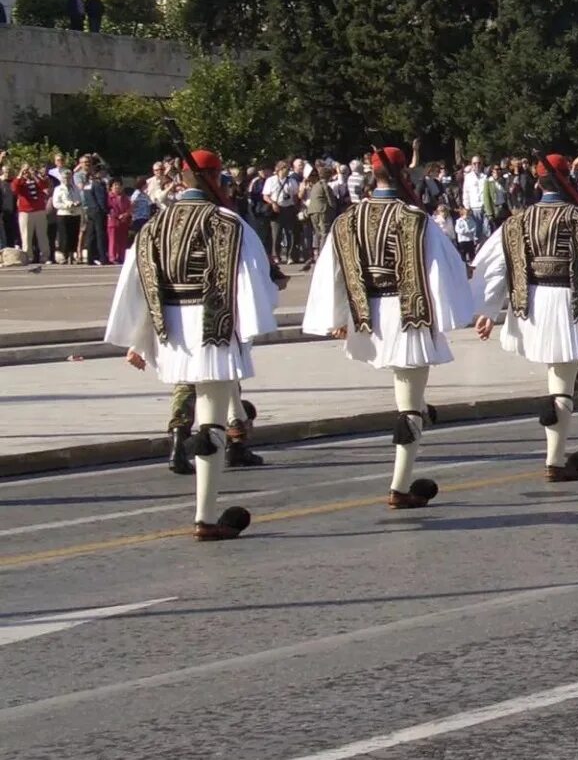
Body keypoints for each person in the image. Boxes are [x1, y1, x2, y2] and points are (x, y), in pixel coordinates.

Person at [103, 148, 278, 541]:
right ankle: (205, 515)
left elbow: (137, 286)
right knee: (212, 420)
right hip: (214, 328)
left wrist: (139, 338)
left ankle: (206, 508)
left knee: (202, 410)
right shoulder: (229, 222)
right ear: (217, 178)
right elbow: (253, 282)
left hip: (172, 333)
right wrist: (253, 323)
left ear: (181, 180)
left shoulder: (153, 226)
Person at [304, 145, 476, 508]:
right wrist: (449, 316)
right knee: (409, 404)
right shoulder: (416, 219)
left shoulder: (348, 220)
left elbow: (331, 272)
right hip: (408, 315)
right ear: (403, 173)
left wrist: (338, 318)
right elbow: (442, 272)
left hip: (368, 315)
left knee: (408, 396)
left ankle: (415, 429)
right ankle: (400, 486)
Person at [470, 154, 578, 482]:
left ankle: (560, 407)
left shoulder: (517, 221)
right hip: (566, 303)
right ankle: (555, 461)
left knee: (558, 376)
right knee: (561, 386)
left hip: (529, 305)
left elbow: (493, 266)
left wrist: (487, 311)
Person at [12, 161, 51, 263]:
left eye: (28, 171)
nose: (27, 173)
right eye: (25, 171)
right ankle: (28, 256)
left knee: (42, 235)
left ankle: (45, 256)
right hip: (25, 212)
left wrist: (34, 175)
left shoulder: (38, 179)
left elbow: (44, 186)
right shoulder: (20, 182)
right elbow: (14, 188)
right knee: (26, 236)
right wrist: (21, 174)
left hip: (39, 210)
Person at [105, 179, 133, 264]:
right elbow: (109, 208)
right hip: (113, 221)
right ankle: (112, 257)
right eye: (115, 185)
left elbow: (130, 208)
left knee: (123, 240)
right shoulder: (109, 197)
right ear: (111, 187)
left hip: (124, 221)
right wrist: (117, 216)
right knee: (113, 240)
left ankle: (121, 257)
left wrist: (125, 214)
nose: (117, 187)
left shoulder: (125, 197)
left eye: (119, 185)